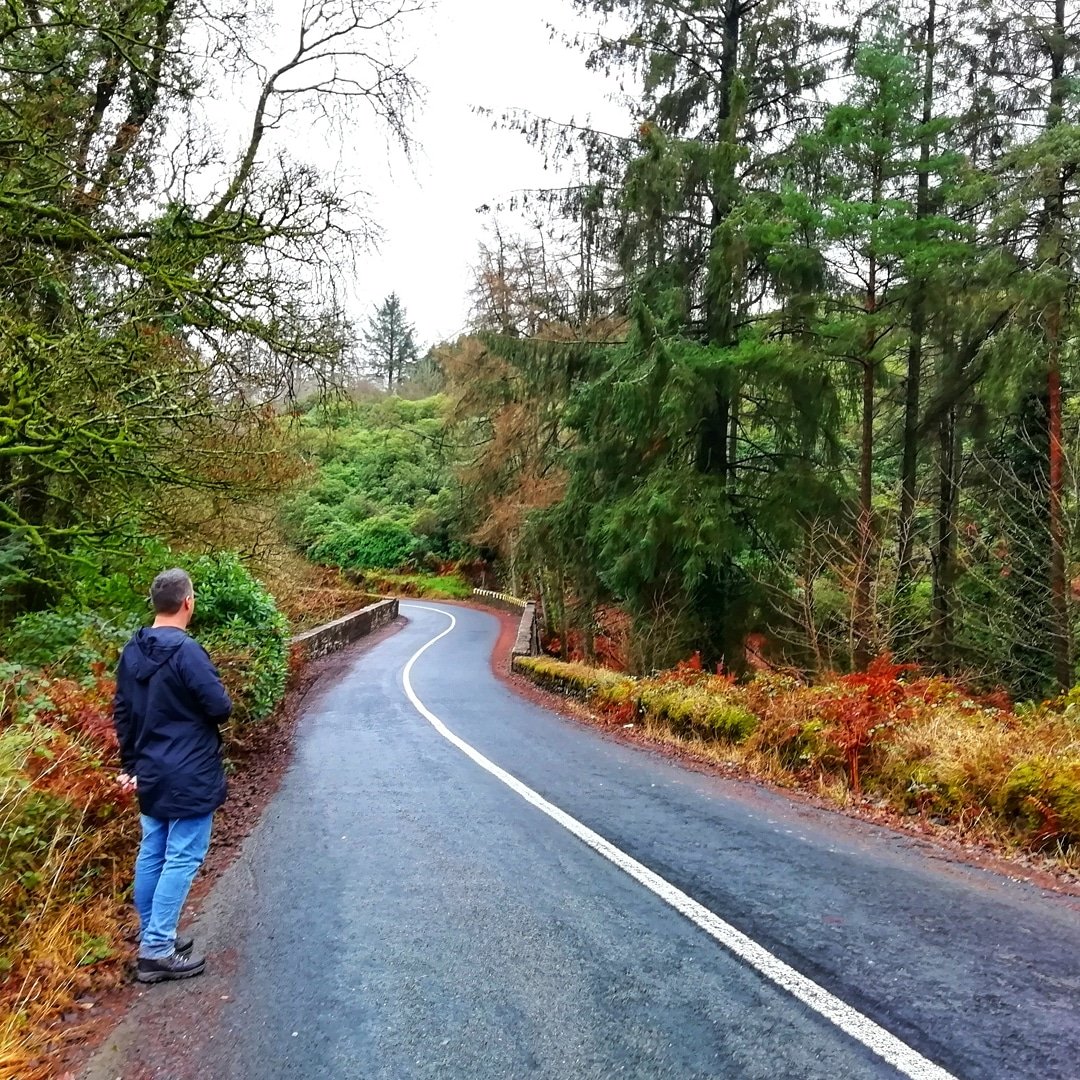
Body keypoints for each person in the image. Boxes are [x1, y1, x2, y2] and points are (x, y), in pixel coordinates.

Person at [113, 568, 233, 983]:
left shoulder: (132, 651)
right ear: (188, 602)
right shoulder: (187, 652)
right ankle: (157, 950)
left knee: (153, 850)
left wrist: (131, 764)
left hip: (150, 769)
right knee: (182, 855)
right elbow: (219, 707)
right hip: (189, 770)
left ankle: (154, 935)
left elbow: (123, 714)